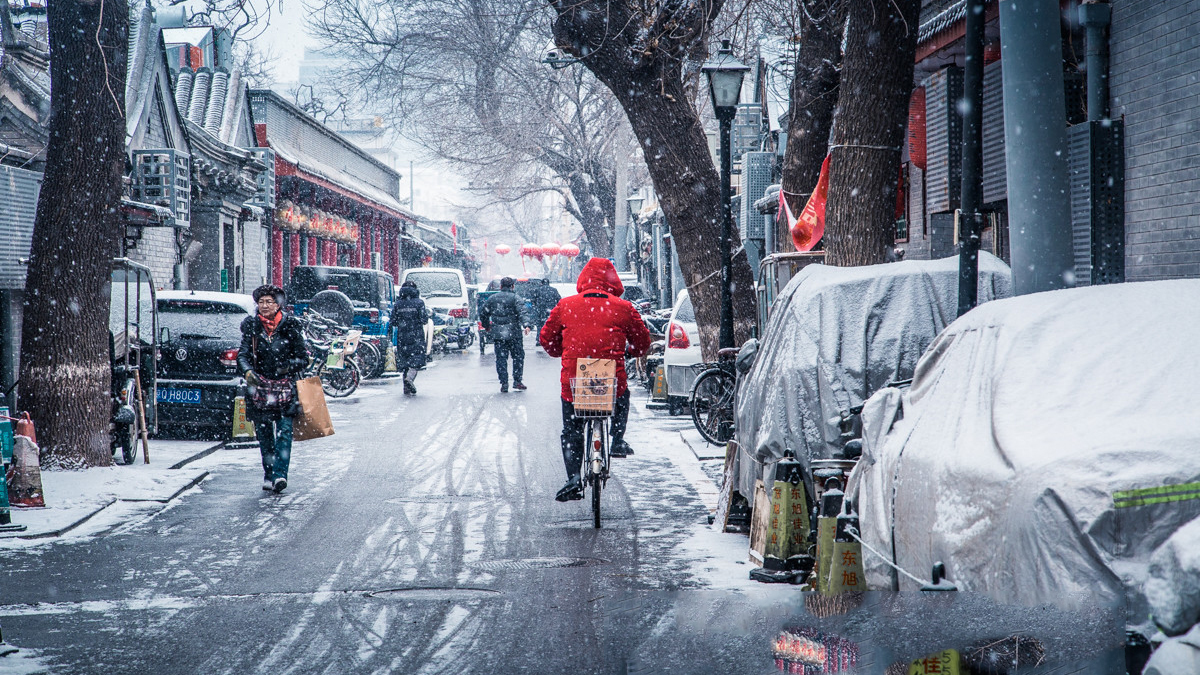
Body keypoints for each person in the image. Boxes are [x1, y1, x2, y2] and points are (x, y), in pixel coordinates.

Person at [540, 258, 651, 502]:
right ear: (613, 281)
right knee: (622, 395)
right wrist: (630, 351)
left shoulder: (565, 306)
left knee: (572, 429)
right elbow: (643, 342)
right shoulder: (623, 308)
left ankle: (572, 477)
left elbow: (546, 339)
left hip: (575, 379)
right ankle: (618, 439)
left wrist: (564, 351)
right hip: (610, 379)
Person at [238, 284, 308, 493]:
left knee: (285, 431)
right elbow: (243, 355)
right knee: (265, 433)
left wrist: (287, 366)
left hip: (285, 388)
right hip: (260, 389)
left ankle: (280, 475)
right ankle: (268, 474)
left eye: (269, 301)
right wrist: (248, 372)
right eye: (261, 302)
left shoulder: (291, 327)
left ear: (278, 305)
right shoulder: (251, 328)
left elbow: (303, 358)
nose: (265, 305)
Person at [480, 277, 529, 392]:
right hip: (514, 334)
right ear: (512, 286)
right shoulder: (516, 298)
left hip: (498, 334)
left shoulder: (492, 299)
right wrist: (526, 325)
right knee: (518, 357)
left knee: (501, 359)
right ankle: (517, 381)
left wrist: (486, 325)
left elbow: (483, 313)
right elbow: (523, 312)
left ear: (501, 286)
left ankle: (504, 383)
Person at [388, 280, 430, 395]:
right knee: (416, 360)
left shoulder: (398, 304)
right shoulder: (419, 303)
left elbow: (393, 321)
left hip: (402, 337)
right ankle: (410, 379)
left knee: (405, 361)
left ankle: (406, 389)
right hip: (416, 336)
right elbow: (424, 320)